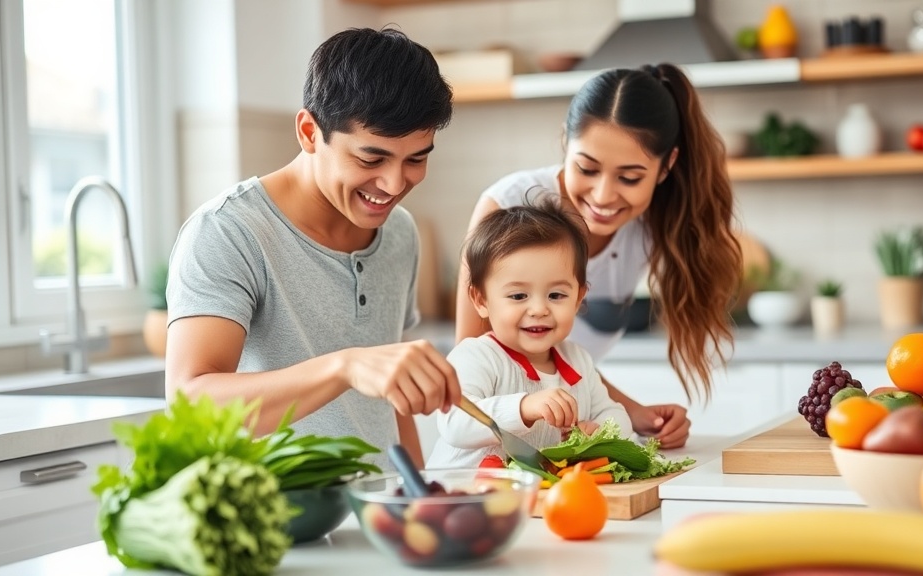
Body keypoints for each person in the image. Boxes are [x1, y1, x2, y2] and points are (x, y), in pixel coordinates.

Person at [164, 27, 461, 468]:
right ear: (308, 132)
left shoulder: (400, 232)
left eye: (416, 159)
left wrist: (419, 499)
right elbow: (191, 404)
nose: (395, 184)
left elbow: (394, 400)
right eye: (371, 158)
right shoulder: (229, 232)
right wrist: (343, 368)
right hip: (276, 525)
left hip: (377, 516)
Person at [456, 63, 742, 449]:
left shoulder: (651, 225)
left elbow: (571, 365)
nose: (604, 196)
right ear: (564, 142)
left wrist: (630, 415)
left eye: (629, 177)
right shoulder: (507, 207)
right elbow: (475, 362)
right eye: (587, 168)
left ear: (666, 167)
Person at [427, 199, 633, 469]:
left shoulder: (577, 360)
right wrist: (523, 408)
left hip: (531, 503)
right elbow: (454, 423)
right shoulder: (474, 356)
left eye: (556, 295)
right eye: (518, 295)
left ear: (579, 297)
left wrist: (601, 432)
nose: (539, 309)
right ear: (481, 300)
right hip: (459, 501)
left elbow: (615, 415)